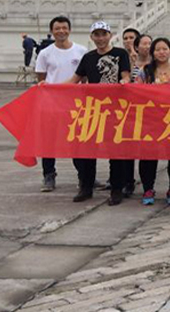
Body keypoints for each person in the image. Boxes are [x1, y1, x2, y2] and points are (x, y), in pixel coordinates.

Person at [66, 21, 131, 205]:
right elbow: (74, 80)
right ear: (92, 37)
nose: (101, 38)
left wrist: (124, 82)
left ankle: (117, 189)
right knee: (87, 151)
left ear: (110, 35)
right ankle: (86, 187)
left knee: (115, 152)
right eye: (97, 35)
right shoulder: (88, 58)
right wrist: (48, 87)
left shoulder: (120, 54)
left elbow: (125, 75)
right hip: (93, 110)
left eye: (104, 34)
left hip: (115, 111)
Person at [35, 16, 87, 192]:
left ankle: (84, 176)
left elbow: (85, 78)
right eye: (57, 28)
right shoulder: (45, 53)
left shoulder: (81, 51)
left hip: (76, 104)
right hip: (52, 104)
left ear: (69, 30)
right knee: (49, 140)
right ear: (52, 31)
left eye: (64, 28)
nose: (61, 31)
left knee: (77, 141)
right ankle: (49, 175)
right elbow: (41, 79)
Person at [136, 38, 170, 206]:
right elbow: (136, 91)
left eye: (165, 49)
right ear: (152, 53)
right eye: (158, 49)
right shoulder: (145, 71)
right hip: (150, 118)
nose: (161, 52)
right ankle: (148, 188)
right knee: (148, 154)